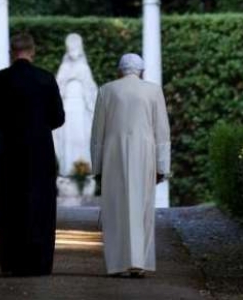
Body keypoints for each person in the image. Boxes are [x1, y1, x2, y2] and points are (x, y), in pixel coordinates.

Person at [0, 32, 66, 276]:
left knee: (10, 204)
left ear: (12, 52)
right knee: (40, 203)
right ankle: (39, 262)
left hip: (10, 150)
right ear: (33, 51)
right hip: (40, 149)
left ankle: (11, 262)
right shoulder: (46, 78)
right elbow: (58, 118)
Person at [90, 53, 171, 277]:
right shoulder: (153, 91)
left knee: (115, 208)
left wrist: (96, 167)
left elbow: (98, 134)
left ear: (120, 70)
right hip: (145, 155)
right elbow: (162, 132)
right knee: (142, 207)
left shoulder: (107, 90)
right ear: (141, 71)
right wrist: (162, 166)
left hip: (113, 156)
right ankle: (139, 263)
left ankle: (118, 264)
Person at [54, 33, 98, 176]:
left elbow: (91, 91)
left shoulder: (84, 68)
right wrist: (67, 79)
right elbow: (57, 90)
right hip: (67, 108)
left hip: (81, 109)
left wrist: (81, 79)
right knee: (67, 140)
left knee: (82, 139)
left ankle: (83, 170)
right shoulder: (64, 68)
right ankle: (67, 170)